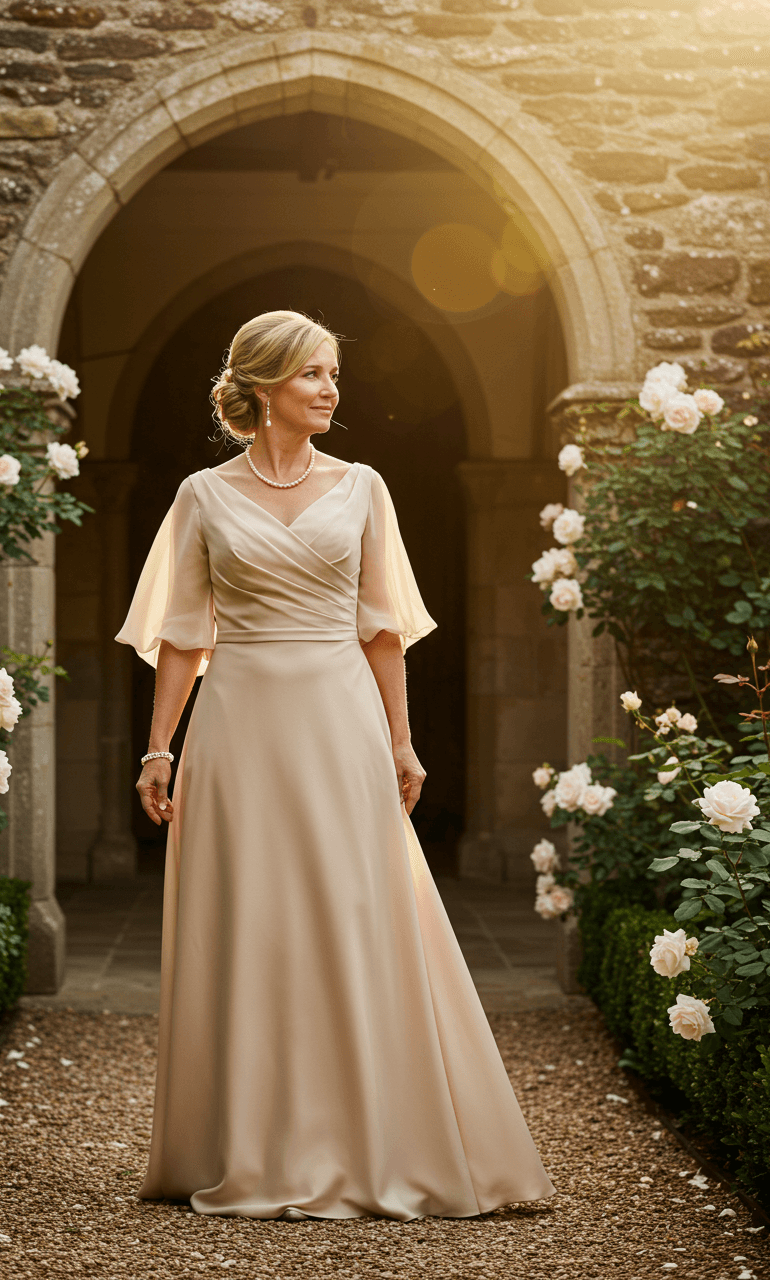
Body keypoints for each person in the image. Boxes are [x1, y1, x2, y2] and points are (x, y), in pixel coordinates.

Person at [115, 310, 555, 1221]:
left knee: (357, 911)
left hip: (341, 717)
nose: (330, 390)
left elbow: (383, 628)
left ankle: (370, 1136)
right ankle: (240, 1143)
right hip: (237, 729)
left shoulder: (364, 487)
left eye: (332, 375)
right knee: (251, 919)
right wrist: (161, 747)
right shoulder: (201, 494)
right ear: (266, 385)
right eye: (313, 375)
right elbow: (184, 637)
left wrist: (401, 738)